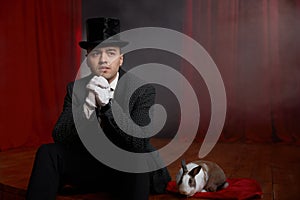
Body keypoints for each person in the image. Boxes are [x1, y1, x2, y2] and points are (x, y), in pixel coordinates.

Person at [26, 17, 171, 200]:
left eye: (110, 53)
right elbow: (60, 135)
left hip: (126, 171)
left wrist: (108, 107)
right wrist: (87, 107)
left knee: (138, 158)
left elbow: (139, 143)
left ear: (120, 59)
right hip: (90, 167)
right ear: (87, 60)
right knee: (48, 152)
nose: (103, 60)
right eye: (95, 53)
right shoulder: (75, 89)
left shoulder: (142, 90)